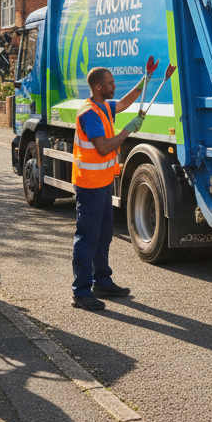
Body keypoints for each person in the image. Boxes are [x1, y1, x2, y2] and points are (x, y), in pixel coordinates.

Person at [71, 59, 176, 311]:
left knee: (104, 234)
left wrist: (146, 78)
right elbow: (104, 146)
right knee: (88, 237)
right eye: (110, 83)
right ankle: (81, 291)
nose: (114, 87)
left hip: (102, 183)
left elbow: (127, 101)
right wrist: (129, 129)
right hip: (89, 185)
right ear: (97, 87)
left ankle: (102, 282)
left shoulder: (104, 107)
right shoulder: (89, 113)